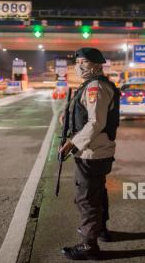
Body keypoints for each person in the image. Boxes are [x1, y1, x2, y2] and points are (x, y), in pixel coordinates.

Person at [59, 47, 120, 260]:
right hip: (96, 151)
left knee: (87, 199)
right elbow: (88, 117)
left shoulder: (96, 87)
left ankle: (89, 246)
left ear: (95, 64)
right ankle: (100, 230)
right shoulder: (92, 86)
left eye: (83, 62)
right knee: (97, 193)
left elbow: (96, 122)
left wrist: (71, 144)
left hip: (93, 152)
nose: (79, 66)